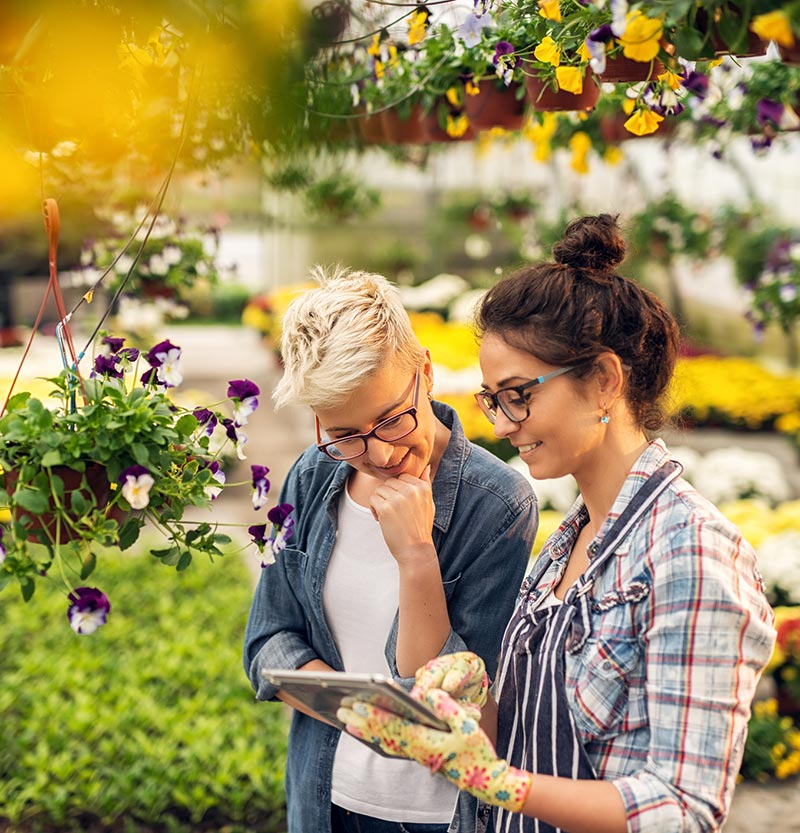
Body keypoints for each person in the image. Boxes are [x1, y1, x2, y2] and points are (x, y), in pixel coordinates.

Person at [338, 215, 777, 833]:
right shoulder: (567, 543)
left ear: (603, 381)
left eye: (518, 393)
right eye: (492, 398)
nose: (501, 424)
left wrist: (496, 783)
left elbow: (683, 806)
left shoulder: (692, 554)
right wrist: (461, 702)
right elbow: (517, 740)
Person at [243, 266, 539, 833]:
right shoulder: (312, 477)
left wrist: (416, 558)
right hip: (322, 795)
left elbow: (449, 703)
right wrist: (357, 716)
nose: (377, 454)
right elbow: (267, 638)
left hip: (432, 815)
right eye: (345, 434)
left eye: (390, 420)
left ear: (425, 372)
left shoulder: (497, 505)